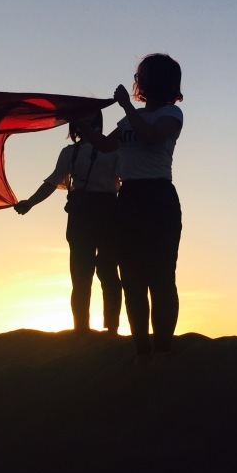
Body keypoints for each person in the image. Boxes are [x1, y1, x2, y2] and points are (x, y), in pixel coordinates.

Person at [80, 54, 183, 363]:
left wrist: (126, 105)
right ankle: (142, 349)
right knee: (132, 279)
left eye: (144, 76)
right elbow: (105, 145)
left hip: (158, 197)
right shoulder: (128, 119)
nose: (139, 81)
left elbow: (150, 137)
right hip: (129, 199)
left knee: (161, 276)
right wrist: (82, 125)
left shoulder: (171, 113)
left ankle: (163, 348)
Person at [14, 112, 122, 334]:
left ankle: (111, 330)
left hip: (108, 213)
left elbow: (126, 181)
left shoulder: (113, 150)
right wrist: (30, 202)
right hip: (81, 215)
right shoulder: (69, 153)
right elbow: (52, 181)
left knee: (108, 272)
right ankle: (81, 330)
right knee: (81, 276)